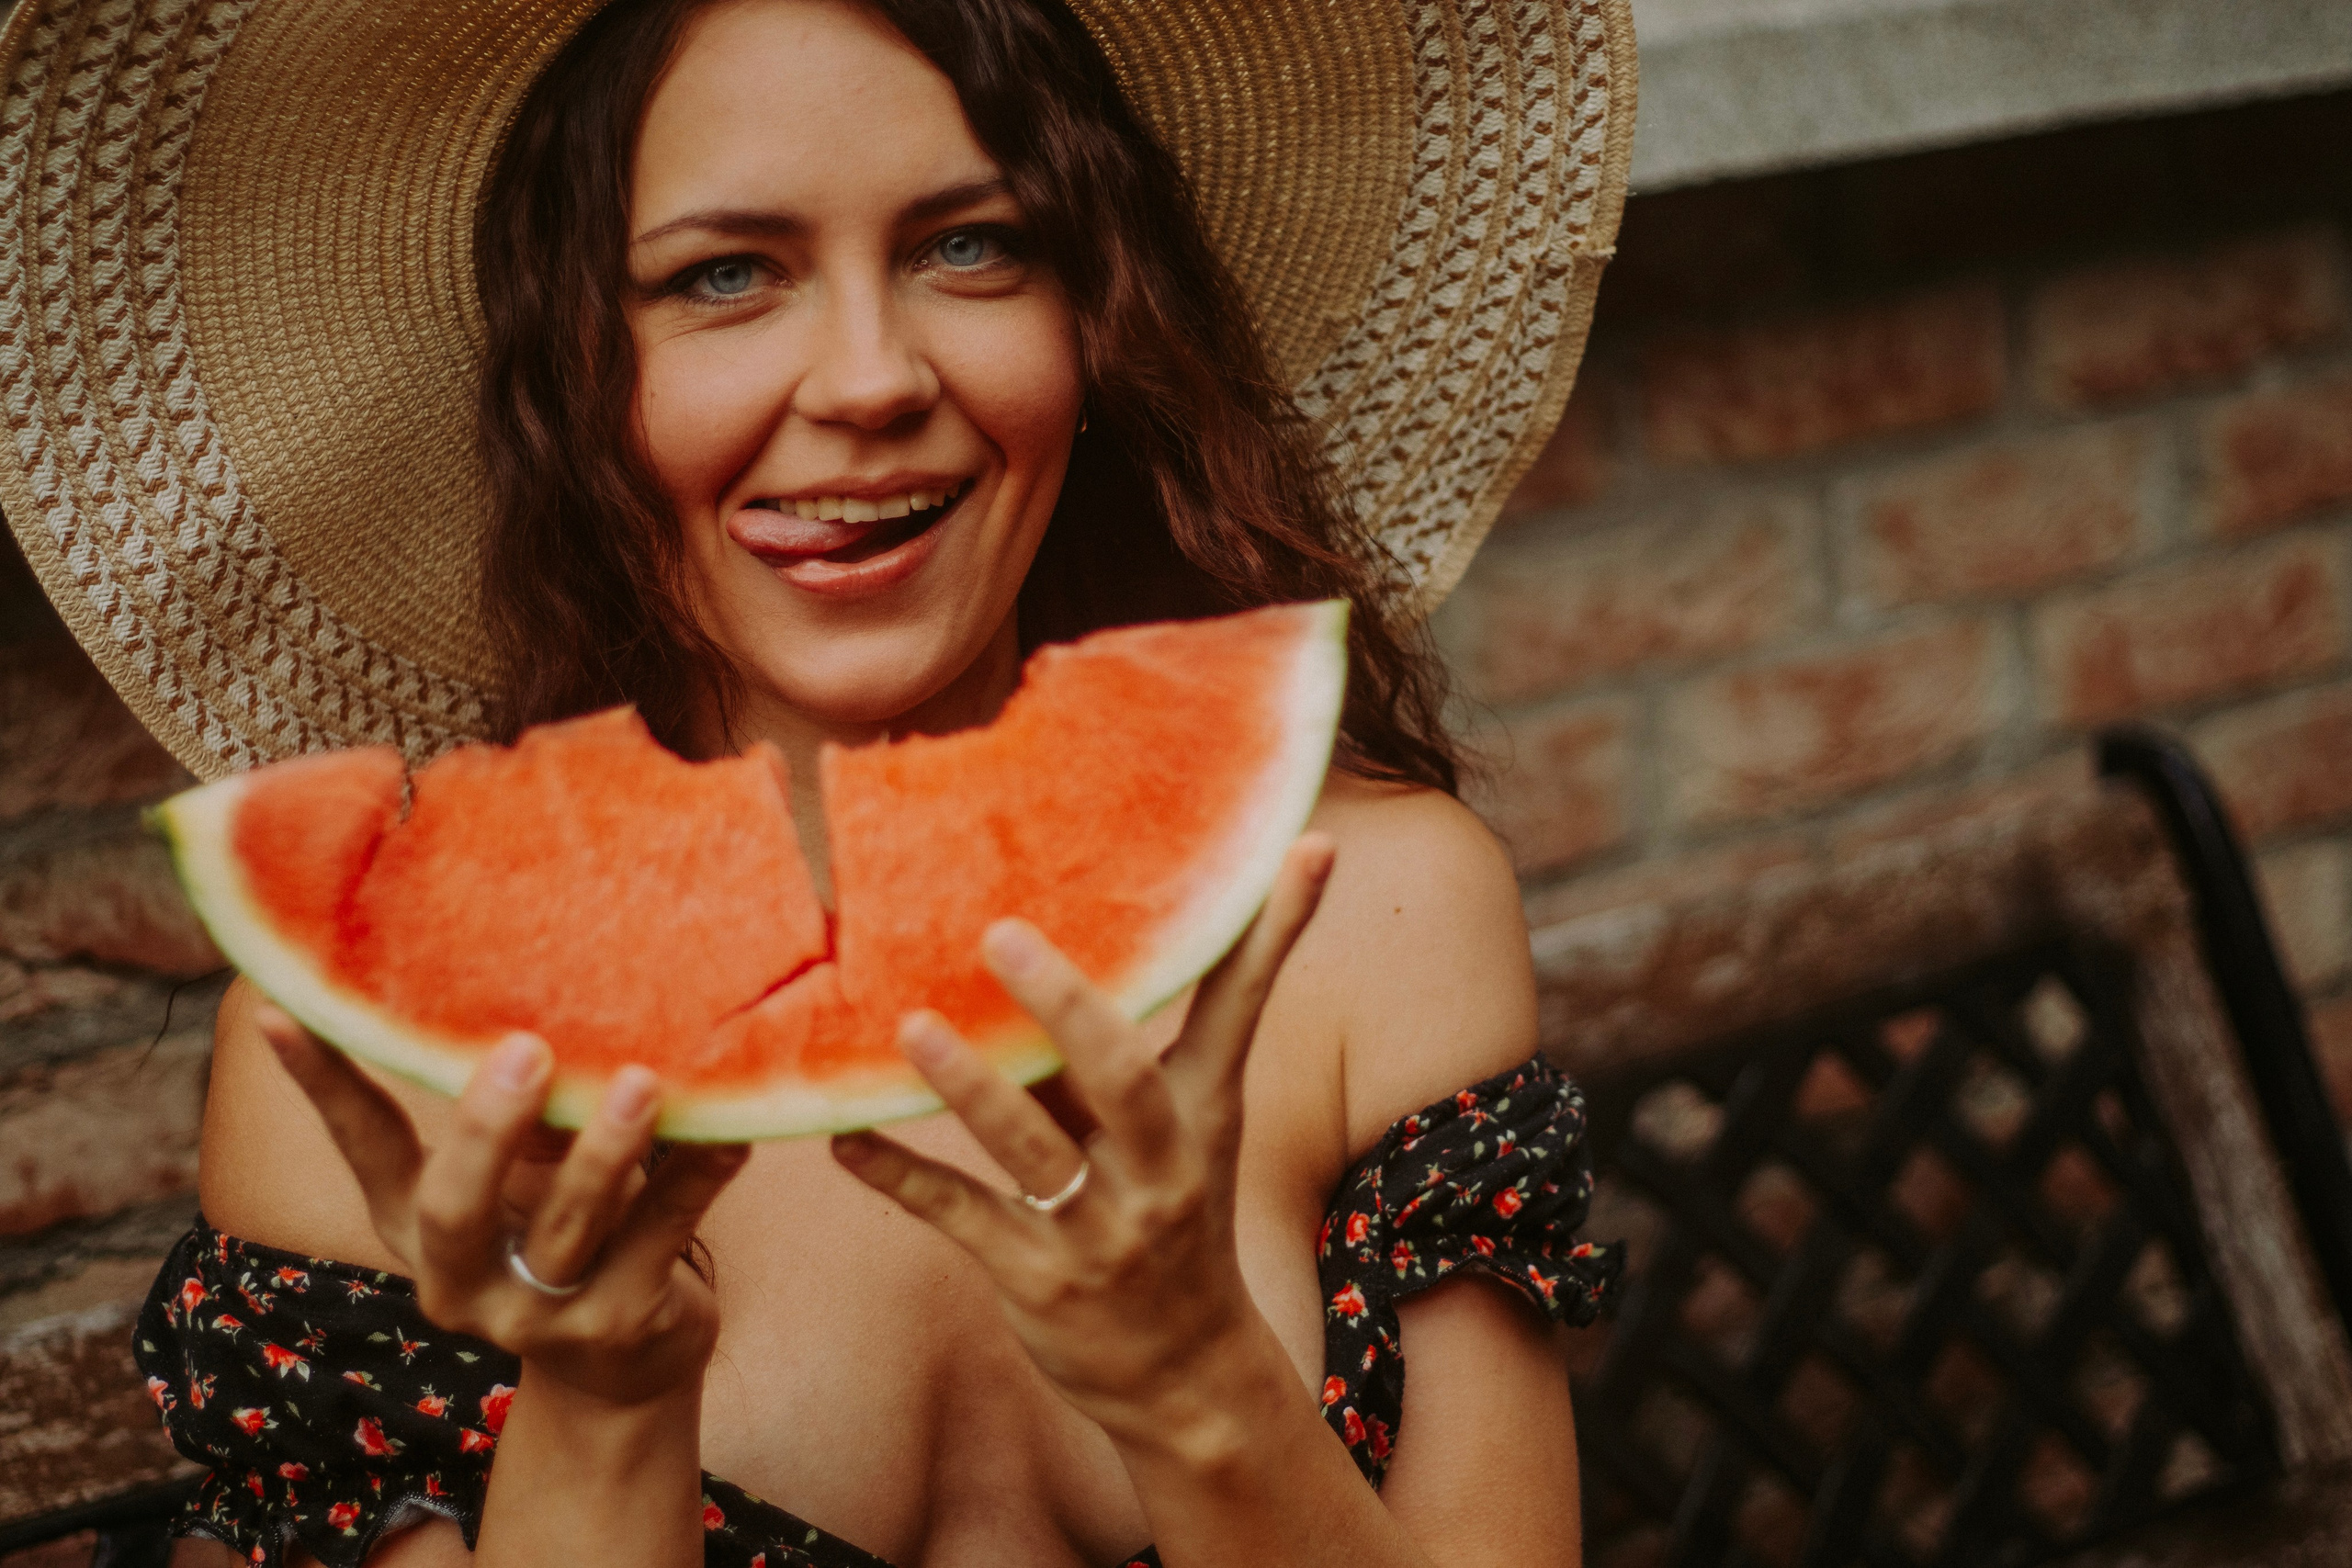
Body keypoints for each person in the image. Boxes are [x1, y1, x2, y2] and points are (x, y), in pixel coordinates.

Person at [0, 0, 1637, 1562]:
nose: (868, 379)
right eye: (723, 274)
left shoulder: (1383, 911)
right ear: (566, 370)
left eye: (971, 246)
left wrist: (1197, 1380)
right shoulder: (354, 1072)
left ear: (1098, 321)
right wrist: (605, 1398)